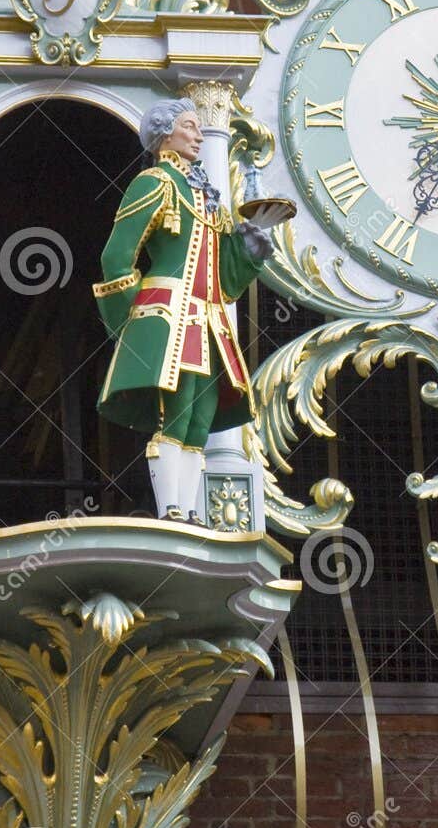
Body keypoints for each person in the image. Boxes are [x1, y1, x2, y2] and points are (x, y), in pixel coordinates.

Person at [92, 98, 292, 523]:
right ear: (165, 134)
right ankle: (172, 510)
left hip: (208, 318)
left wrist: (251, 248)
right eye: (188, 126)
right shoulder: (155, 183)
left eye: (199, 128)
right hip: (166, 316)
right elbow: (116, 257)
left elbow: (225, 279)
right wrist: (129, 327)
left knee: (201, 414)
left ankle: (190, 512)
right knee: (176, 411)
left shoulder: (206, 196)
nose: (198, 135)